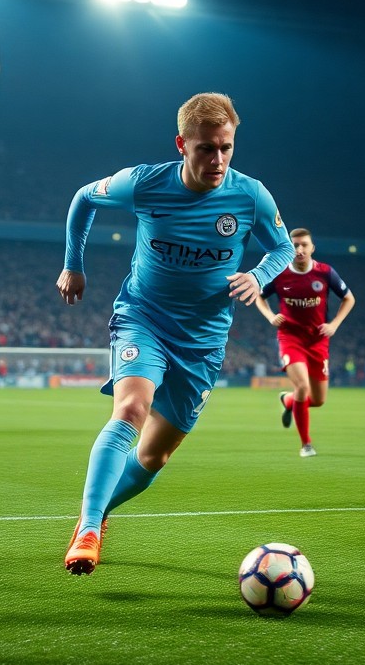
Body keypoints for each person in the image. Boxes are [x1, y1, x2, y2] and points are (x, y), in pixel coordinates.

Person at [56, 92, 294, 575]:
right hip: (143, 318)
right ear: (182, 144)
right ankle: (88, 528)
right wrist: (73, 266)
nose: (218, 160)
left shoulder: (250, 195)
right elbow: (83, 197)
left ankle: (96, 514)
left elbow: (283, 248)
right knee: (130, 408)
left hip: (203, 342)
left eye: (226, 148)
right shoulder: (144, 183)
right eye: (206, 148)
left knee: (154, 455)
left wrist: (258, 276)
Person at [253, 228, 355, 457]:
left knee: (317, 400)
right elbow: (259, 295)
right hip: (290, 338)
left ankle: (288, 400)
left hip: (318, 341)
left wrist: (335, 324)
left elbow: (349, 298)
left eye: (304, 245)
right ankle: (306, 444)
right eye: (295, 245)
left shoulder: (325, 272)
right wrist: (270, 316)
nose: (299, 250)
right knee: (302, 386)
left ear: (312, 248)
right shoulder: (280, 272)